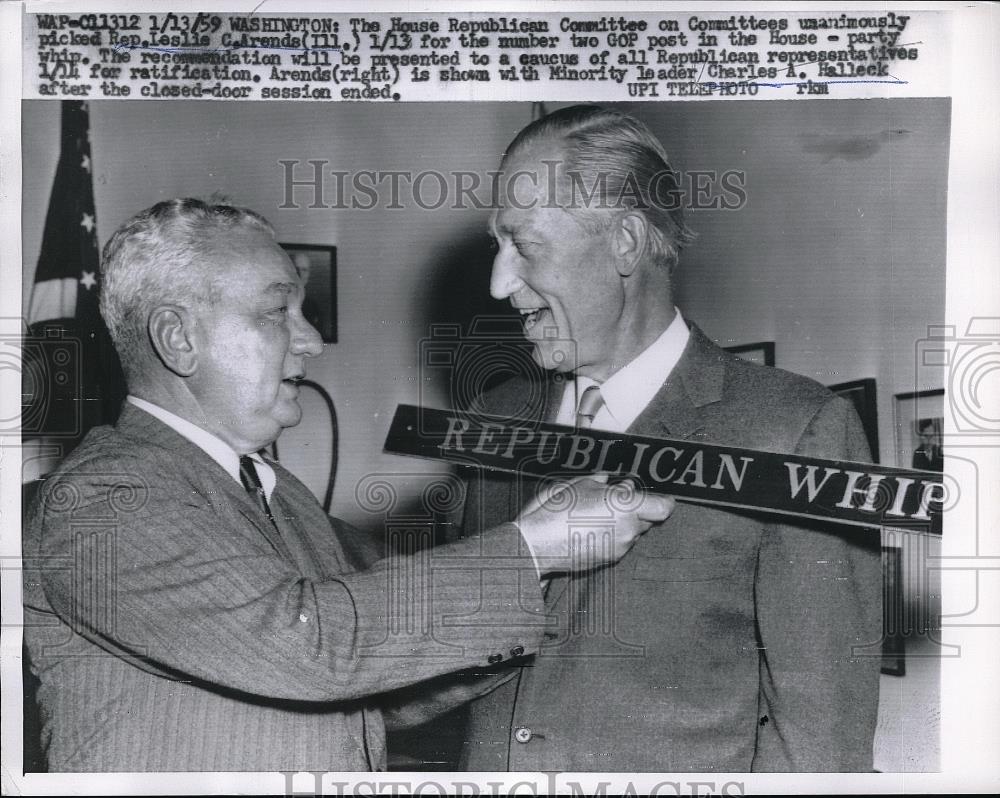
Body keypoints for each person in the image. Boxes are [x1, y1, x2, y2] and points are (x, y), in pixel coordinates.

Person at [21, 198, 674, 771]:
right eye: (279, 312)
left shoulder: (278, 493)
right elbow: (310, 644)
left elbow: (386, 674)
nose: (309, 342)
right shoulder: (108, 499)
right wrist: (533, 547)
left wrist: (552, 576)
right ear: (177, 338)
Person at [457, 105, 883, 772]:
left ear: (625, 240)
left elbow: (819, 742)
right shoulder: (491, 423)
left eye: (526, 245)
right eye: (496, 246)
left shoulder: (797, 430)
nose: (499, 283)